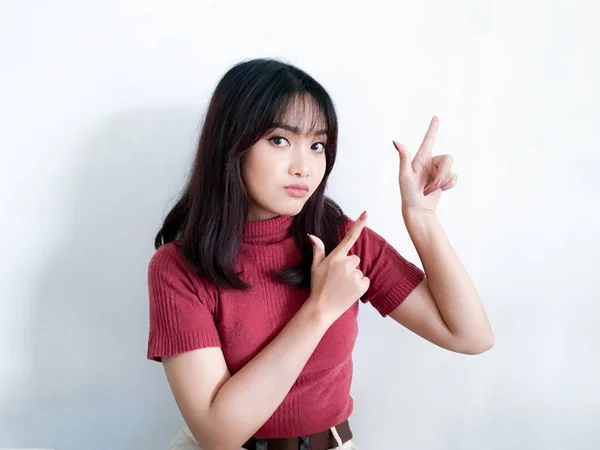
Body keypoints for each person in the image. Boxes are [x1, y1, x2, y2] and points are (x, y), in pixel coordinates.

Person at [146, 58, 494, 450]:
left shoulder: (340, 238)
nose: (304, 167)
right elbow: (217, 434)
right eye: (280, 140)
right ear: (231, 144)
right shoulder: (179, 267)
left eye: (317, 145)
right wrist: (321, 309)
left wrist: (420, 217)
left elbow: (471, 336)